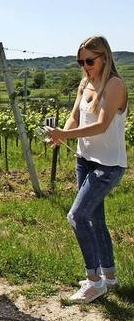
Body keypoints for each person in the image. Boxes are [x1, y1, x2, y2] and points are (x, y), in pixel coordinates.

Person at [45, 35, 127, 303]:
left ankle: (94, 282)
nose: (85, 66)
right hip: (85, 159)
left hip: (108, 165)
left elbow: (102, 125)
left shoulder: (114, 85)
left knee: (77, 216)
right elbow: (74, 116)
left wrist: (65, 135)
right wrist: (61, 134)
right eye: (80, 61)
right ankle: (110, 278)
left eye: (89, 61)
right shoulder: (85, 83)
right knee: (96, 220)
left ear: (104, 57)